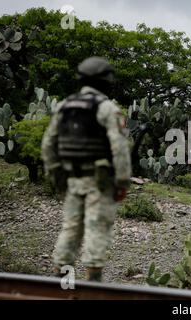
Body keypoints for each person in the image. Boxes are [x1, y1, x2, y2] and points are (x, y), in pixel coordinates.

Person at [41, 56, 131, 281]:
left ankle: (60, 281)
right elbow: (119, 148)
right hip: (99, 182)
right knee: (97, 228)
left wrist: (57, 175)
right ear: (105, 82)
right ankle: (93, 282)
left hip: (72, 180)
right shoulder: (107, 108)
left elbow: (48, 145)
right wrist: (122, 181)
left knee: (70, 228)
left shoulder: (64, 106)